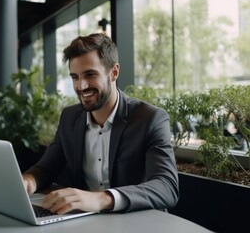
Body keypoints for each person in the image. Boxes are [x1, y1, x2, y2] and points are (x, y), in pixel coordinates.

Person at [22, 33, 179, 214]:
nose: (82, 86)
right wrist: (29, 180)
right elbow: (47, 167)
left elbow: (167, 186)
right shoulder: (69, 118)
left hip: (136, 223)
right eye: (75, 77)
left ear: (114, 72)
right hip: (85, 223)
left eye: (90, 74)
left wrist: (103, 198)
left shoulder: (150, 118)